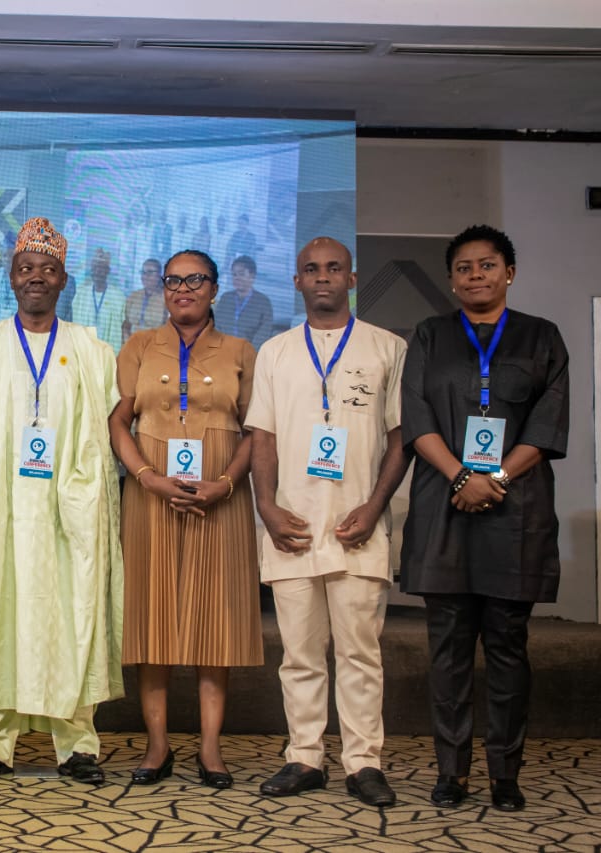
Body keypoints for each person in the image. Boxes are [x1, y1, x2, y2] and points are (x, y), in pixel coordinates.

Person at [0, 217, 124, 785]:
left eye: (47, 269)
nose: (35, 277)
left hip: (67, 508)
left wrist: (86, 498)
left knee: (72, 610)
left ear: (63, 279)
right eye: (25, 268)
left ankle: (78, 743)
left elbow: (104, 430)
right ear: (11, 278)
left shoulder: (90, 349)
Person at [400, 224, 569, 812]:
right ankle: (452, 773)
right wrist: (461, 477)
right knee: (447, 653)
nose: (476, 275)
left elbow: (547, 426)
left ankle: (505, 775)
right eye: (464, 268)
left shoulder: (542, 337)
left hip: (514, 513)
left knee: (507, 650)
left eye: (487, 265)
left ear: (510, 273)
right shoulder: (429, 335)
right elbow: (417, 418)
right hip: (445, 511)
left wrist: (493, 478)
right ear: (452, 280)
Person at [246, 236, 409, 807]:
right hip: (291, 527)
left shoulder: (387, 347)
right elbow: (262, 439)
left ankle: (364, 763)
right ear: (296, 281)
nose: (322, 276)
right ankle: (304, 757)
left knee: (360, 653)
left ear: (351, 278)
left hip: (356, 528)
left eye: (334, 268)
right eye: (311, 269)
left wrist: (375, 506)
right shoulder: (275, 351)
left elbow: (400, 439)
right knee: (299, 655)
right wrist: (267, 508)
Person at [111, 249, 262, 789]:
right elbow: (118, 422)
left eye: (195, 280)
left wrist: (225, 484)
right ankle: (157, 746)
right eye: (173, 281)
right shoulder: (138, 345)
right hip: (150, 494)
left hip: (220, 496)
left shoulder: (241, 350)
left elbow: (255, 431)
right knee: (153, 618)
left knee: (213, 621)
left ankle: (210, 748)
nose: (183, 289)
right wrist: (146, 476)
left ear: (215, 289)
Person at [69, 247, 127, 352]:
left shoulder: (118, 298)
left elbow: (121, 329)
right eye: (95, 268)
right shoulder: (81, 294)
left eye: (101, 268)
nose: (98, 272)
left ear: (108, 271)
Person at [213, 255, 274, 351]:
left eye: (241, 274)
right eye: (234, 275)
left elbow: (263, 335)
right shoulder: (226, 298)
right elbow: (216, 327)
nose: (237, 278)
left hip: (250, 354)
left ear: (252, 276)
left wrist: (248, 354)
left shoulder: (263, 302)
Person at [121, 258, 168, 343]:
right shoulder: (134, 296)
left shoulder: (166, 300)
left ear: (159, 276)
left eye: (150, 272)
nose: (145, 276)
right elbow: (126, 324)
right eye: (143, 272)